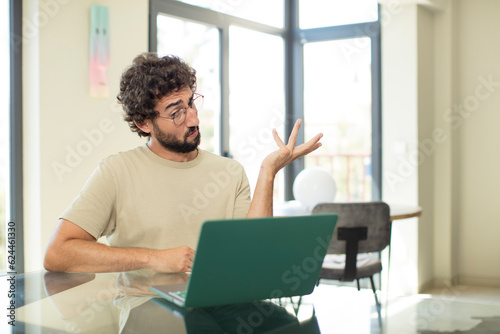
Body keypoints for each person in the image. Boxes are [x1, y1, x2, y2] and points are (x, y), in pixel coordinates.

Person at [44, 52, 322, 274]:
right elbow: (58, 253)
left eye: (191, 104)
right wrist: (153, 259)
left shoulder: (229, 172)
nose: (193, 119)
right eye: (176, 113)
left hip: (220, 312)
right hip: (146, 316)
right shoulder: (117, 172)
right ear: (144, 123)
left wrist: (268, 171)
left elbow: (254, 251)